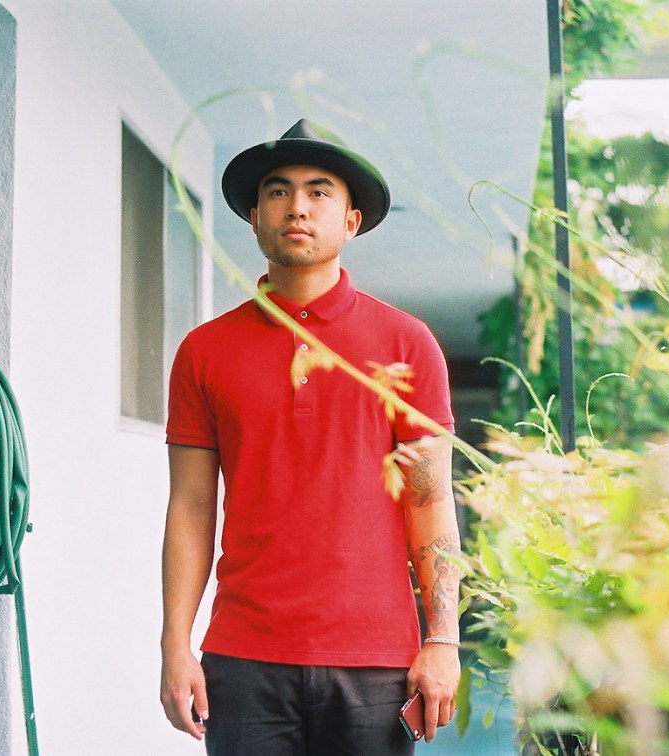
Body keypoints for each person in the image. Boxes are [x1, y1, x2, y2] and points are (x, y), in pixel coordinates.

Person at [159, 119, 462, 755]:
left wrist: (442, 639)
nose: (297, 206)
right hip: (243, 659)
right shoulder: (204, 351)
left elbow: (430, 499)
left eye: (319, 192)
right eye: (278, 191)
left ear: (351, 221)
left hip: (375, 662)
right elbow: (190, 505)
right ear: (254, 217)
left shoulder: (407, 344)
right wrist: (175, 644)